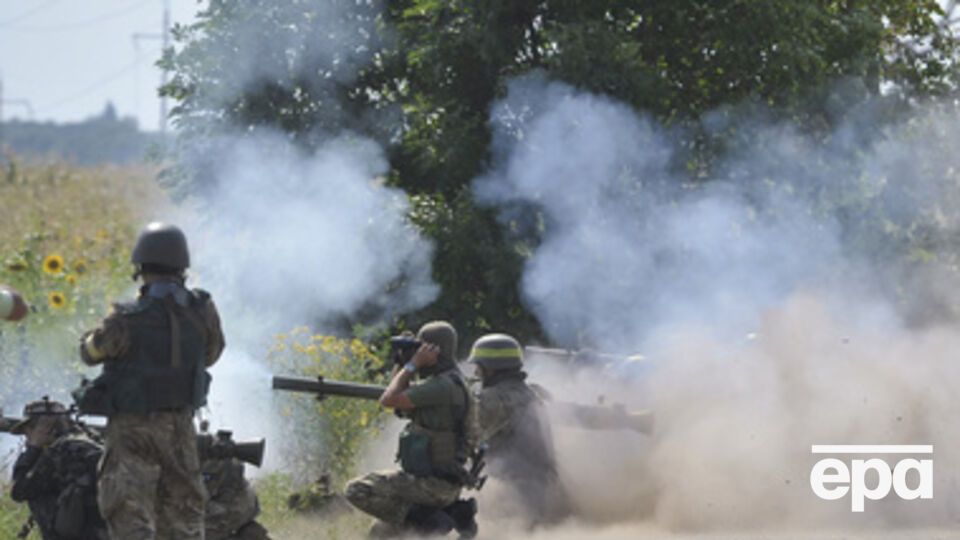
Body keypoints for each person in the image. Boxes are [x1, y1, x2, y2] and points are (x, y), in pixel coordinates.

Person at [74, 222, 225, 539]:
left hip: (132, 433)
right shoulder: (202, 311)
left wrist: (90, 339)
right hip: (180, 429)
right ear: (182, 267)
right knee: (184, 520)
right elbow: (211, 354)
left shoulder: (124, 319)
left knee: (131, 517)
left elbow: (91, 353)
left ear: (140, 267)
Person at [345, 321, 479, 537]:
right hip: (439, 480)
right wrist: (403, 362)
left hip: (432, 484)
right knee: (381, 533)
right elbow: (400, 406)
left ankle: (429, 521)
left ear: (433, 351)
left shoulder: (442, 386)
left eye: (420, 348)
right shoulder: (449, 382)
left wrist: (413, 364)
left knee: (357, 489)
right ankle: (450, 514)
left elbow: (388, 400)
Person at [469, 333, 568, 525]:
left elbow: (467, 435)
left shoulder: (495, 398)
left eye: (478, 367)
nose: (475, 374)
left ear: (490, 369)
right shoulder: (529, 392)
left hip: (512, 493)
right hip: (538, 489)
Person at [8, 398, 107, 540]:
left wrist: (33, 447)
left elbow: (19, 490)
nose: (27, 438)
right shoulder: (93, 444)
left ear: (45, 427)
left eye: (28, 431)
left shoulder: (60, 450)